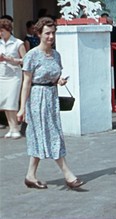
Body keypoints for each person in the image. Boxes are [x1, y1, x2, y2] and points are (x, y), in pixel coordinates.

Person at [17, 17, 84, 190]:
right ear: (38, 34)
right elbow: (26, 83)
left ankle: (30, 176)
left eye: (53, 33)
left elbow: (52, 77)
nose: (51, 37)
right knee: (52, 135)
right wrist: (22, 108)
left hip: (51, 98)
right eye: (47, 33)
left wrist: (59, 81)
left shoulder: (56, 55)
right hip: (37, 99)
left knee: (42, 135)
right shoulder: (32, 55)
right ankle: (68, 175)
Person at [0, 18, 26, 139]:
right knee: (5, 102)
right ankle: (11, 127)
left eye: (2, 31)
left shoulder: (18, 43)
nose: (0, 34)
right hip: (2, 75)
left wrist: (11, 59)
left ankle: (15, 127)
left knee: (12, 100)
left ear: (8, 30)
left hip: (14, 75)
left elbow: (25, 60)